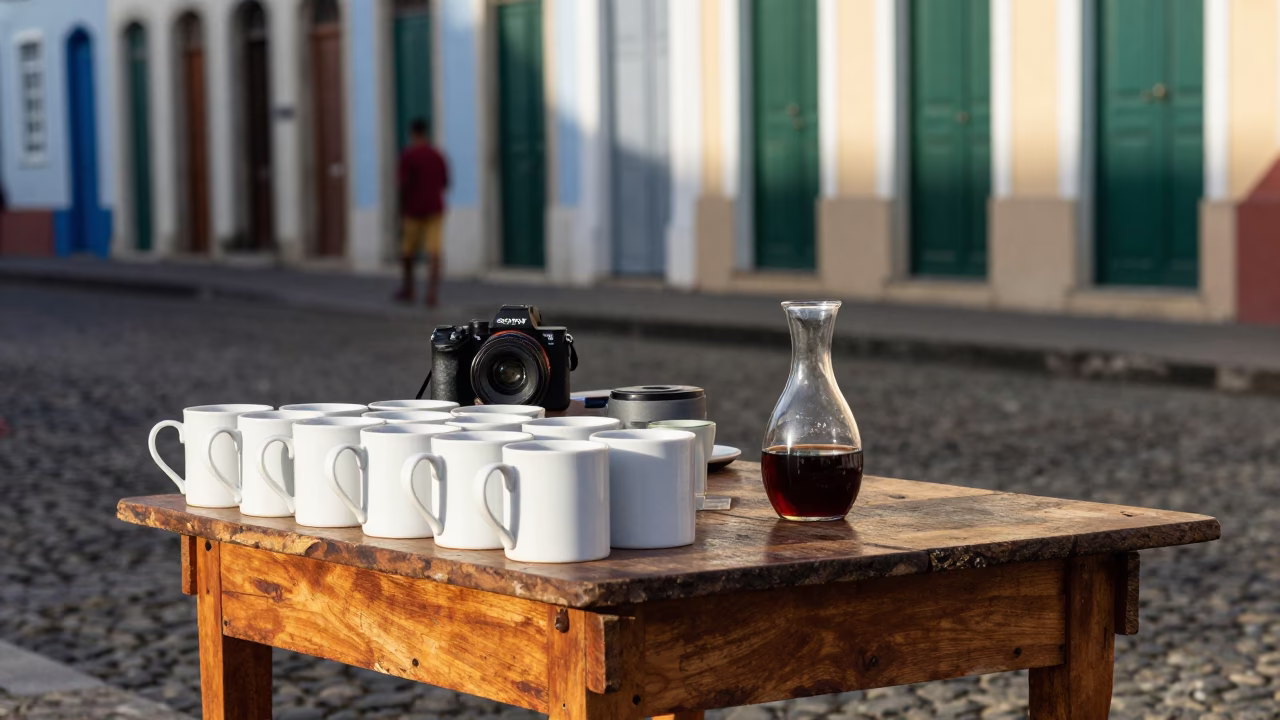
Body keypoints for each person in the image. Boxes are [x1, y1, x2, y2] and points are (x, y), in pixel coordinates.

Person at [395, 118, 450, 306]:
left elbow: (403, 185)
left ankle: (409, 288)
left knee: (407, 252)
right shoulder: (437, 155)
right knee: (434, 253)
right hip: (435, 208)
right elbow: (445, 182)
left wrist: (401, 210)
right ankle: (431, 294)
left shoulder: (408, 156)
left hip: (413, 210)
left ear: (412, 133)